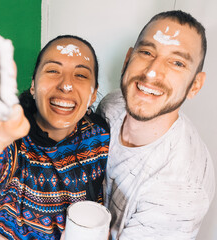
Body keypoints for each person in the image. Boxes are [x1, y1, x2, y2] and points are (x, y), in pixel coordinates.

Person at [0, 35, 110, 239]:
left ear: (94, 93)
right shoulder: (12, 139)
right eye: (53, 70)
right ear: (33, 85)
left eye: (81, 75)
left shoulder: (102, 134)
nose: (66, 85)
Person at [96, 10, 215, 239]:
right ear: (127, 60)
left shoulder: (181, 190)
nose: (151, 72)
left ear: (195, 86)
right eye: (147, 52)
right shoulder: (112, 106)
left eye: (177, 62)